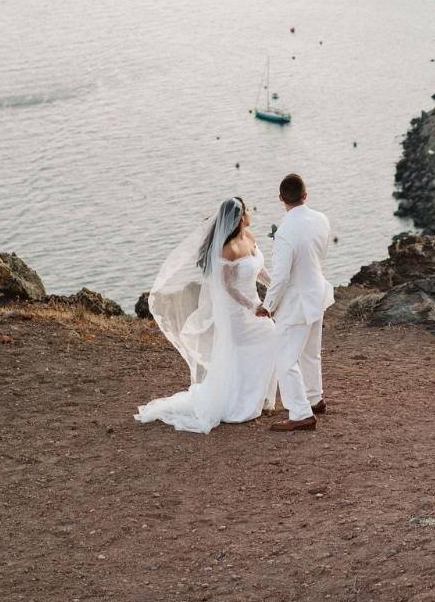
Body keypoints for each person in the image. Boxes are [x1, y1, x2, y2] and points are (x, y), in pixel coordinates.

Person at [135, 196, 276, 434]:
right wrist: (252, 307)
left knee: (269, 338)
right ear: (240, 217)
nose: (251, 213)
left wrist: (275, 286)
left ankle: (255, 396)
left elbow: (258, 268)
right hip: (236, 310)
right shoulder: (227, 250)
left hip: (255, 303)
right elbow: (228, 288)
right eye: (248, 211)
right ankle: (237, 403)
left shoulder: (249, 238)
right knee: (243, 350)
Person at [258, 173, 334, 432]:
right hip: (317, 294)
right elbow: (320, 255)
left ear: (281, 199)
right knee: (311, 353)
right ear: (306, 195)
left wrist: (268, 306)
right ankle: (315, 399)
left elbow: (280, 277)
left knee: (285, 359)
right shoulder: (322, 220)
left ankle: (301, 413)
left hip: (297, 303)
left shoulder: (285, 232)